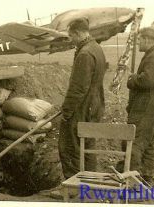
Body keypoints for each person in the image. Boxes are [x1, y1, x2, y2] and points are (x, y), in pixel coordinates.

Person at [59, 17, 106, 179]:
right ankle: (89, 182)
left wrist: (66, 111)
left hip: (83, 107)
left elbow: (78, 88)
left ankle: (73, 187)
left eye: (71, 36)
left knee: (69, 147)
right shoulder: (96, 48)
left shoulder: (85, 54)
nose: (71, 40)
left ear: (78, 33)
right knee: (88, 146)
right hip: (95, 104)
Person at [125, 27, 154, 182]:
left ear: (147, 39)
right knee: (149, 144)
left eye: (140, 39)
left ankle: (134, 183)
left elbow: (148, 80)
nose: (138, 43)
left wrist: (132, 79)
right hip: (153, 108)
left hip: (145, 109)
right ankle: (146, 179)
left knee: (135, 144)